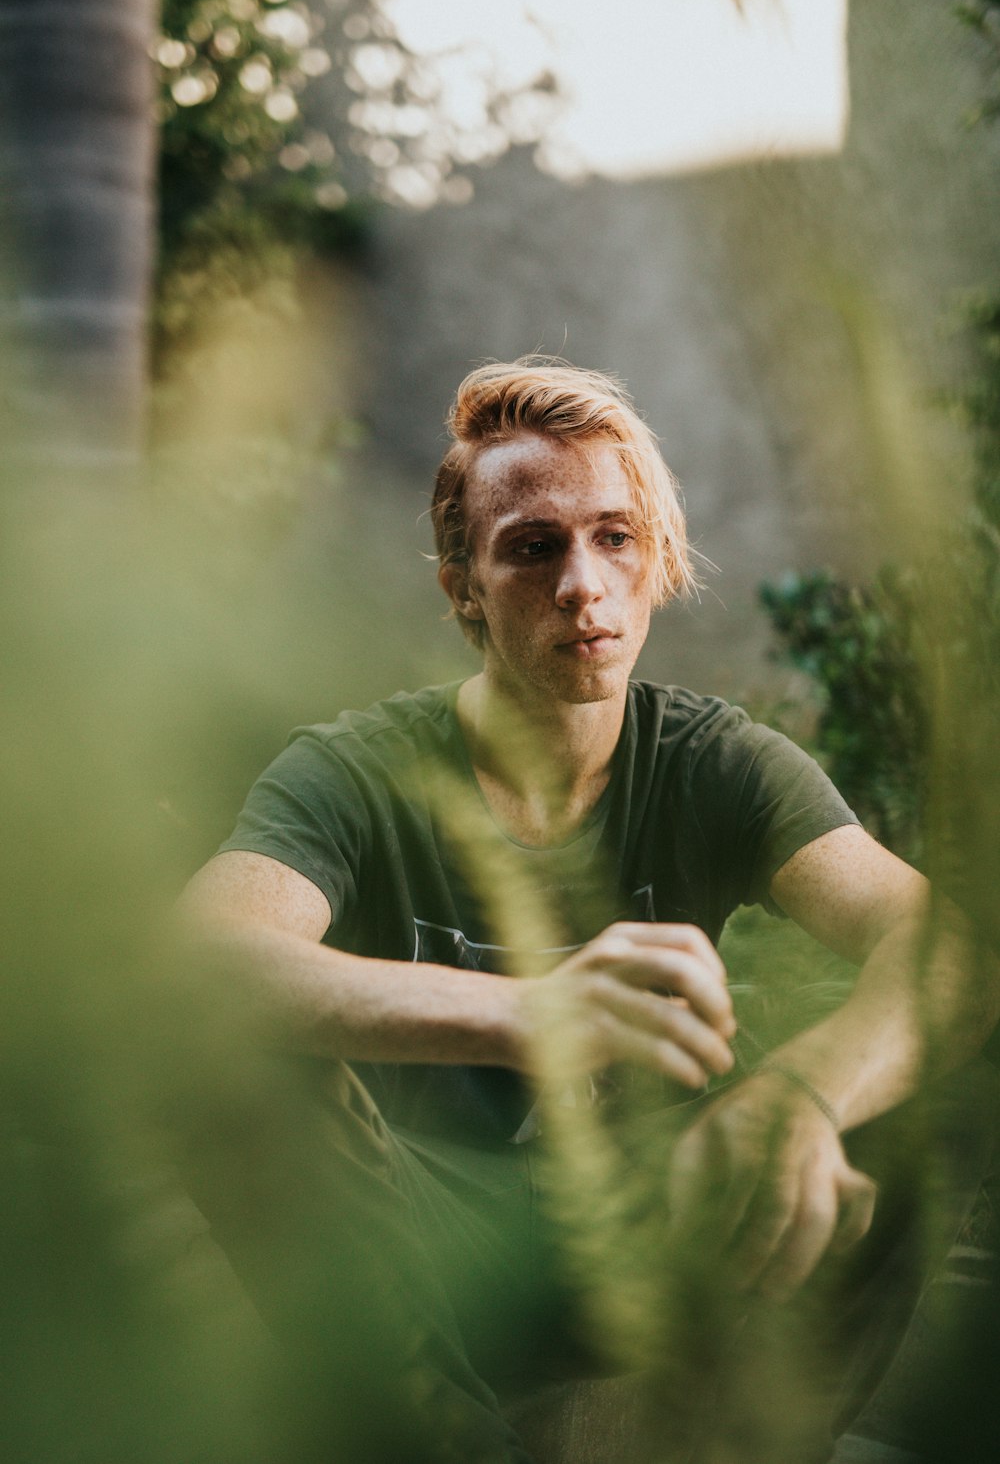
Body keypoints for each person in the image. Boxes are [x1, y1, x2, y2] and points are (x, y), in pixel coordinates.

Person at [180, 358, 999, 1464]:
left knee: (924, 1064)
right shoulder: (356, 771)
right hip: (426, 1266)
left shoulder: (714, 762)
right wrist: (529, 1011)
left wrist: (804, 1096)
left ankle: (732, 1442)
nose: (582, 583)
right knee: (232, 1057)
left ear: (656, 560)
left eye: (614, 537)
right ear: (461, 585)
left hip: (668, 1251)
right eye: (531, 546)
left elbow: (947, 951)